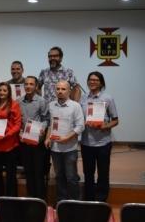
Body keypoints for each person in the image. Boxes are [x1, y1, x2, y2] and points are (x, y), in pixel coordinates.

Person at [80, 71, 119, 202]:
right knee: (88, 174)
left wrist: (104, 126)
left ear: (101, 83)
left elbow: (115, 120)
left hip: (103, 143)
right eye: (90, 79)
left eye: (96, 80)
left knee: (103, 173)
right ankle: (89, 199)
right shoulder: (83, 98)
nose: (92, 82)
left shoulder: (108, 98)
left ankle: (101, 200)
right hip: (86, 143)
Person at [44, 80, 84, 202]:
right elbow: (50, 124)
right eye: (58, 89)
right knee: (59, 176)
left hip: (69, 149)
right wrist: (47, 138)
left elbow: (80, 126)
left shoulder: (75, 106)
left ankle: (75, 202)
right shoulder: (51, 105)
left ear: (69, 91)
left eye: (63, 89)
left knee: (71, 177)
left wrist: (67, 137)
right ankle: (61, 202)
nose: (60, 91)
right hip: (55, 149)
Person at [0, 82, 21, 201]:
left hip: (9, 144)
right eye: (0, 90)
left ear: (9, 92)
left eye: (4, 91)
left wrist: (7, 134)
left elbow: (17, 125)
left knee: (11, 175)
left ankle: (11, 200)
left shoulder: (14, 104)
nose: (1, 92)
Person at [18, 76, 49, 199]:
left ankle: (40, 199)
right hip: (24, 141)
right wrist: (19, 131)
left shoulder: (42, 101)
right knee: (28, 171)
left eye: (31, 84)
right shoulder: (19, 101)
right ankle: (30, 197)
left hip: (38, 142)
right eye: (26, 84)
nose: (28, 86)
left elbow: (46, 119)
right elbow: (18, 121)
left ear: (36, 86)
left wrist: (42, 128)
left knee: (39, 172)